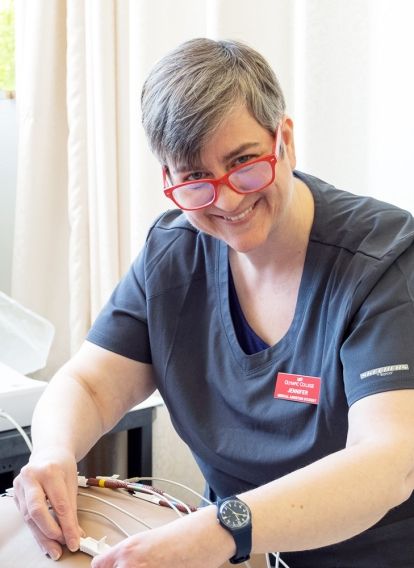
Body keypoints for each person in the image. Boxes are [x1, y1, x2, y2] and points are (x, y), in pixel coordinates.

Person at [12, 37, 414, 568]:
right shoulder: (174, 253)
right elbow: (88, 383)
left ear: (284, 141)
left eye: (244, 163)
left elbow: (389, 462)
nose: (226, 200)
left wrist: (221, 529)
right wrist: (53, 452)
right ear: (168, 179)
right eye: (196, 179)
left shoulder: (380, 262)